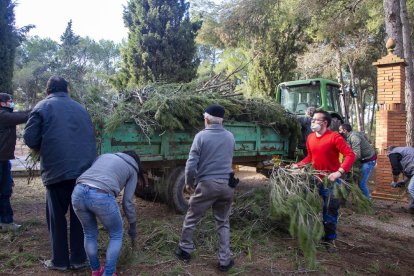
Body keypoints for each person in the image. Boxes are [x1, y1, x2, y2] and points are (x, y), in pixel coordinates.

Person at [23, 76, 96, 271]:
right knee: (80, 216)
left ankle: (60, 261)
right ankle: (79, 259)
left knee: (56, 217)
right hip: (83, 173)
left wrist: (42, 146)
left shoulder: (41, 107)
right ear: (67, 90)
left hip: (57, 171)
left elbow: (30, 138)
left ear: (48, 91)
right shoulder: (81, 109)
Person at [175, 104, 236, 272]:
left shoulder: (201, 136)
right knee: (223, 222)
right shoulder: (230, 136)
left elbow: (191, 163)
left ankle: (185, 250)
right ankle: (224, 261)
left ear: (206, 119)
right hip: (227, 185)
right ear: (221, 120)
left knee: (192, 217)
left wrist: (189, 182)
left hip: (207, 185)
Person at [293, 110, 356, 252]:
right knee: (308, 209)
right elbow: (310, 157)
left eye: (316, 120)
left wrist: (339, 172)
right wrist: (297, 166)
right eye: (312, 120)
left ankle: (329, 240)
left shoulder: (334, 137)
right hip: (314, 178)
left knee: (330, 212)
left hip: (331, 181)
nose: (313, 122)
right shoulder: (310, 137)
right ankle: (309, 239)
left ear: (325, 123)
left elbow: (350, 155)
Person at [72, 151, 142, 276]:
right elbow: (128, 202)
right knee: (116, 234)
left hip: (78, 191)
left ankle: (96, 270)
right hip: (101, 195)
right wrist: (132, 225)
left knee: (89, 234)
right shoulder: (132, 168)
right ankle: (108, 273)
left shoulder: (103, 156)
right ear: (136, 162)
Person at [0, 93, 30, 231]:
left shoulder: (6, 115)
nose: (12, 103)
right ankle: (5, 221)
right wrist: (40, 109)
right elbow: (22, 116)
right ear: (2, 103)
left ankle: (6, 222)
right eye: (10, 101)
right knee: (3, 190)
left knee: (5, 190)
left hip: (4, 160)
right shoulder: (3, 116)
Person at [339, 124, 377, 200]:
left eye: (340, 130)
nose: (339, 132)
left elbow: (356, 154)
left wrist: (346, 164)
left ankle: (367, 202)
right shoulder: (349, 137)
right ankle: (344, 199)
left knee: (361, 183)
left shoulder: (354, 137)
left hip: (368, 161)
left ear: (344, 130)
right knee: (349, 180)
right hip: (363, 160)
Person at [387, 146, 414, 214]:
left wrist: (394, 182)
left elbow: (395, 170)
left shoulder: (393, 153)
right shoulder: (404, 152)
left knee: (411, 188)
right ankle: (413, 208)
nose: (388, 156)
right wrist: (403, 181)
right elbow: (410, 174)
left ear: (389, 151)